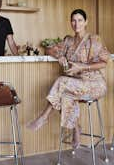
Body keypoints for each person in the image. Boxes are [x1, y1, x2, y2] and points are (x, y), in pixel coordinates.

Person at [27, 9, 110, 149]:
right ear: (70, 22)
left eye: (80, 20)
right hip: (76, 84)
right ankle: (76, 128)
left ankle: (44, 116)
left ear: (86, 22)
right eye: (73, 20)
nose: (76, 23)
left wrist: (82, 68)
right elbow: (48, 49)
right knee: (63, 95)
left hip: (94, 84)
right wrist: (59, 56)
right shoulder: (68, 41)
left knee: (61, 82)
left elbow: (104, 62)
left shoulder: (93, 40)